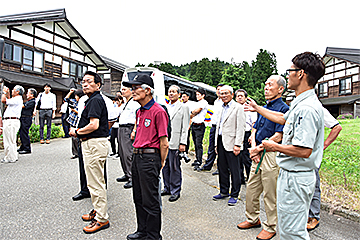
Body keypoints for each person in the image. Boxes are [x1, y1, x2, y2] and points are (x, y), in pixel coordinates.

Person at [245, 52, 326, 240]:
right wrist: (258, 108)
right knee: (289, 228)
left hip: (296, 177)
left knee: (292, 232)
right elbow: (283, 119)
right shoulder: (300, 103)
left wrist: (273, 147)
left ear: (301, 74)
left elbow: (304, 150)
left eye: (291, 70)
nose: (287, 74)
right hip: (291, 175)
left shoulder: (306, 108)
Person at [237, 75, 288, 240]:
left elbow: (279, 135)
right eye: (265, 84)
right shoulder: (263, 107)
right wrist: (254, 148)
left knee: (269, 193)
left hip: (271, 154)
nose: (266, 87)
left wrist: (258, 149)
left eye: (270, 85)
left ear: (280, 89)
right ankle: (252, 219)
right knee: (251, 188)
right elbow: (254, 128)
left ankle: (271, 226)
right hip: (257, 153)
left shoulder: (283, 109)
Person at [123, 74, 169, 240]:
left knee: (151, 199)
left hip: (150, 158)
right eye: (132, 88)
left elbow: (164, 142)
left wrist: (161, 162)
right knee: (139, 197)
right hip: (137, 157)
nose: (132, 91)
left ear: (148, 90)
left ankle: (153, 235)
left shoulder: (158, 111)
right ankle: (142, 230)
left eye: (136, 88)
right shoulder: (139, 111)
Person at [69, 71, 110, 234]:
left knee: (95, 182)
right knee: (96, 180)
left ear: (98, 85)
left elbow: (94, 125)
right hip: (93, 144)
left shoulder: (95, 100)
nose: (84, 84)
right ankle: (98, 210)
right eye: (83, 82)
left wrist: (77, 132)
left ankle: (101, 218)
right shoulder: (93, 99)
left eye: (88, 81)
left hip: (93, 143)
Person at [307, 107, 342, 231]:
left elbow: (336, 127)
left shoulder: (319, 110)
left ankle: (314, 216)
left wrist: (324, 145)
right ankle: (305, 214)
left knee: (314, 184)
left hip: (313, 155)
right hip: (299, 155)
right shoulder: (298, 107)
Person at [212, 85, 245, 206]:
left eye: (226, 93)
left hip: (232, 142)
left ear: (232, 94)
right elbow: (218, 126)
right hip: (221, 141)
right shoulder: (220, 108)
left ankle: (235, 194)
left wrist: (238, 144)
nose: (224, 95)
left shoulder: (238, 108)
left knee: (234, 169)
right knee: (222, 167)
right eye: (221, 93)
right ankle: (224, 191)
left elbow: (241, 127)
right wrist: (216, 144)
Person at [161, 85, 190, 202]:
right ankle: (167, 187)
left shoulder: (183, 107)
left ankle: (175, 190)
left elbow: (185, 127)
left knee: (174, 167)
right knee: (165, 166)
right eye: (169, 92)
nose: (171, 94)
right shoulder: (164, 107)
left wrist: (183, 142)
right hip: (164, 142)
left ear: (178, 94)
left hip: (176, 141)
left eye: (173, 92)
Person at [116, 85, 140, 189]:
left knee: (128, 153)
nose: (122, 91)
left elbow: (137, 117)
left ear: (131, 91)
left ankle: (132, 177)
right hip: (121, 128)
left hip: (128, 128)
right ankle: (126, 173)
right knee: (121, 152)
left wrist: (134, 130)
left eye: (125, 89)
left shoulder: (134, 103)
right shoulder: (126, 102)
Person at [197, 84, 224, 172]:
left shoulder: (224, 102)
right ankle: (208, 165)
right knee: (211, 146)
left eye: (220, 90)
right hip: (213, 126)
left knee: (220, 148)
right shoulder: (216, 101)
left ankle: (221, 168)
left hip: (221, 127)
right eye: (217, 89)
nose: (219, 91)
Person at [235, 89, 257, 183]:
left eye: (242, 96)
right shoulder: (234, 108)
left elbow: (254, 123)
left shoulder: (250, 109)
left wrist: (252, 135)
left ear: (246, 98)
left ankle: (249, 177)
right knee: (237, 157)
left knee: (246, 158)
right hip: (236, 135)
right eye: (238, 96)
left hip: (246, 134)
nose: (240, 97)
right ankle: (240, 178)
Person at [1, 85, 24, 163]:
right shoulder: (16, 99)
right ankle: (10, 156)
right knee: (9, 139)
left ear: (17, 91)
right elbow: (8, 100)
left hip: (11, 121)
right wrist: (7, 93)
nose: (12, 91)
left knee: (10, 140)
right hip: (11, 121)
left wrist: (4, 92)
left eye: (13, 90)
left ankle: (11, 157)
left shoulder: (17, 98)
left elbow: (3, 100)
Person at [190, 88, 208, 169]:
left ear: (203, 95)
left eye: (198, 94)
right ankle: (197, 159)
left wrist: (190, 114)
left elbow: (196, 111)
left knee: (198, 144)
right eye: (196, 94)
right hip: (194, 125)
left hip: (200, 126)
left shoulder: (204, 103)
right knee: (194, 143)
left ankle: (199, 161)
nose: (197, 96)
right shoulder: (197, 103)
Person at [64, 89, 84, 159]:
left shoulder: (84, 102)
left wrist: (74, 110)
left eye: (76, 96)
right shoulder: (75, 102)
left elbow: (82, 113)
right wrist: (70, 92)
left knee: (79, 139)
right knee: (73, 138)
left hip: (79, 122)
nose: (75, 97)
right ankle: (75, 153)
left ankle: (81, 152)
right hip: (73, 121)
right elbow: (66, 99)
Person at [18, 88, 37, 154]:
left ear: (32, 94)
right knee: (21, 133)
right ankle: (23, 146)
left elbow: (23, 106)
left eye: (28, 93)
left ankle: (27, 148)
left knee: (24, 133)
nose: (26, 94)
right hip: (23, 118)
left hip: (26, 118)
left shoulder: (32, 101)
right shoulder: (28, 101)